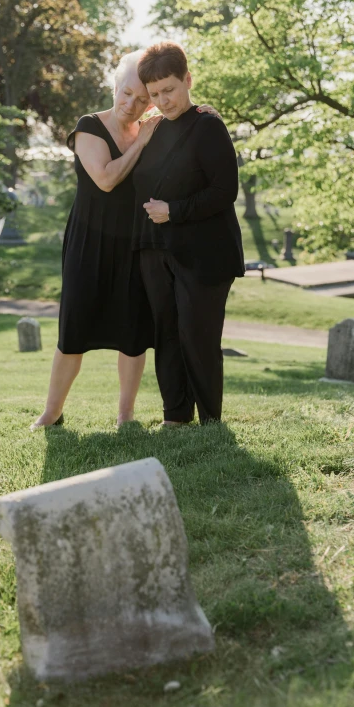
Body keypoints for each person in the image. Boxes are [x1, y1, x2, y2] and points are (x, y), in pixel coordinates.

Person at [31, 51, 220, 429]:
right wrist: (141, 142)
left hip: (135, 242)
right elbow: (105, 179)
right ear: (114, 87)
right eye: (126, 94)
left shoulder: (153, 128)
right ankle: (51, 414)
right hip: (89, 241)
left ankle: (126, 415)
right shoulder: (89, 127)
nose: (132, 105)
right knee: (74, 329)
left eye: (143, 99)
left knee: (133, 333)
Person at [132, 41, 245, 426]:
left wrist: (173, 211)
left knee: (198, 336)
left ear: (188, 80)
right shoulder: (150, 129)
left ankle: (211, 420)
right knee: (166, 334)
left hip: (205, 253)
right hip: (154, 251)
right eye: (155, 94)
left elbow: (224, 191)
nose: (164, 100)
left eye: (170, 90)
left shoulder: (208, 124)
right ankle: (175, 417)